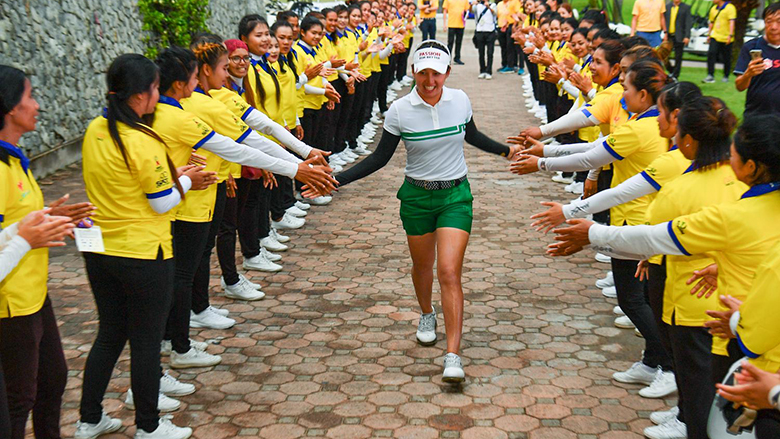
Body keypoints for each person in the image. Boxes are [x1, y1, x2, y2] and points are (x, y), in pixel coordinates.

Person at [321, 40, 518, 382]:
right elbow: (380, 158)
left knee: (448, 271)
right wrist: (336, 180)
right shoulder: (400, 110)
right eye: (423, 73)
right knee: (422, 266)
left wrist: (506, 152)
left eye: (437, 74)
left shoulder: (460, 100)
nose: (430, 81)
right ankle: (427, 313)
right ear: (413, 72)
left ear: (447, 73)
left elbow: (472, 136)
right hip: (416, 197)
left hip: (455, 195)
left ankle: (453, 356)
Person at [549, 114, 780, 391]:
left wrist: (591, 233)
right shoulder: (742, 199)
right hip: (723, 312)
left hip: (738, 340)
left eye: (735, 156)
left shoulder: (730, 212)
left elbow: (655, 235)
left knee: (702, 398)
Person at [77, 54, 202, 439]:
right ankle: (149, 426)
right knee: (147, 341)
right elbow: (161, 201)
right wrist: (186, 183)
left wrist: (171, 176)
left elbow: (128, 183)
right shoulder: (142, 139)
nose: (156, 96)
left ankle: (89, 418)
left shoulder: (96, 128)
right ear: (140, 95)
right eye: (153, 89)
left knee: (110, 333)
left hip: (99, 250)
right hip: (144, 253)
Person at [0, 64, 93, 439]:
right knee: (19, 398)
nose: (37, 105)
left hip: (36, 294)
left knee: (53, 381)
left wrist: (48, 216)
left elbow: (14, 221)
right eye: (30, 97)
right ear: (9, 108)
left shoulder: (14, 159)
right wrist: (26, 238)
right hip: (10, 305)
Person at [734, 2, 780, 116]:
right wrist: (748, 74)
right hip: (756, 115)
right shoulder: (752, 47)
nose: (774, 27)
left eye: (779, 21)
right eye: (769, 21)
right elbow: (739, 86)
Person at [703, 0, 736, 83]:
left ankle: (726, 75)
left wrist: (730, 35)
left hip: (726, 37)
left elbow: (731, 22)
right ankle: (710, 75)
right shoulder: (713, 9)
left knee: (726, 57)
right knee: (711, 53)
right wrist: (709, 34)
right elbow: (711, 22)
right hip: (715, 36)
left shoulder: (730, 8)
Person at [663, 0, 692, 78]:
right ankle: (671, 70)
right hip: (669, 35)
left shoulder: (686, 8)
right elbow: (664, 20)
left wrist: (687, 36)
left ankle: (676, 75)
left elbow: (688, 23)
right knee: (665, 56)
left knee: (678, 56)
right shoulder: (667, 7)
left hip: (679, 35)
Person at [472, 0, 498, 78]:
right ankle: (482, 70)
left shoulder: (493, 5)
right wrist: (473, 4)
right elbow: (471, 11)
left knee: (490, 52)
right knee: (481, 52)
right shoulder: (478, 5)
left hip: (490, 31)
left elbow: (495, 13)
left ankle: (489, 71)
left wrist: (488, 7)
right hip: (480, 30)